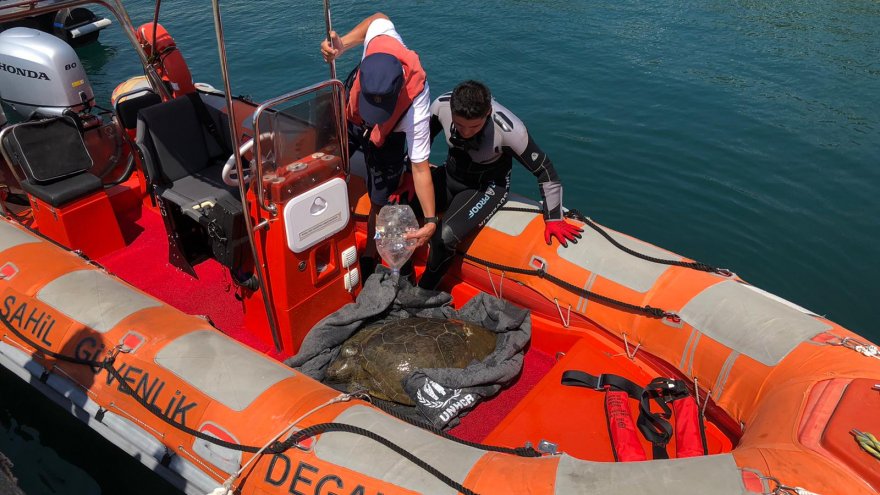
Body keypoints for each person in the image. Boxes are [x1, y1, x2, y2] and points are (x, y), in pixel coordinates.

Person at [414, 80, 583, 290]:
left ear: (487, 113)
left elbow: (544, 169)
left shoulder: (510, 130)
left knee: (442, 239)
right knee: (399, 205)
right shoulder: (441, 106)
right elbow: (419, 147)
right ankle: (401, 272)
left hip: (487, 188)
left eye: (474, 126)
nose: (466, 132)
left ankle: (423, 292)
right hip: (450, 176)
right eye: (460, 125)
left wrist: (554, 218)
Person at [321, 13, 436, 278]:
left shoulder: (416, 106)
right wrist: (342, 45)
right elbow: (378, 18)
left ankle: (370, 256)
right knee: (327, 159)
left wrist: (430, 220)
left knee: (380, 200)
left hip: (390, 136)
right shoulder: (380, 37)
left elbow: (420, 168)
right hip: (353, 111)